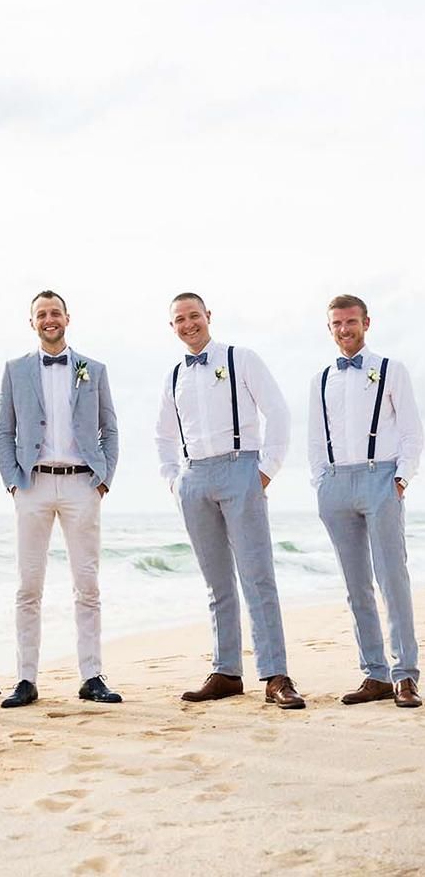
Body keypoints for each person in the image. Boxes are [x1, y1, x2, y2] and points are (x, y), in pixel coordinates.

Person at [155, 292, 305, 709]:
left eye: (194, 316)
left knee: (257, 576)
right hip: (194, 478)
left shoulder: (242, 358)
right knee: (216, 582)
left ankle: (276, 675)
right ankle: (226, 672)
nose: (188, 324)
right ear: (173, 327)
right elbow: (163, 436)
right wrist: (174, 480)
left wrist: (265, 471)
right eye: (180, 319)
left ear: (209, 316)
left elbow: (279, 412)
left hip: (242, 469)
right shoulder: (173, 377)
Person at [0, 290, 121, 707]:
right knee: (28, 586)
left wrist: (103, 479)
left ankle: (92, 676)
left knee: (87, 585)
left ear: (68, 317)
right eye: (41, 314)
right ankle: (26, 680)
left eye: (55, 313)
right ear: (31, 322)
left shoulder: (94, 369)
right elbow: (3, 429)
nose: (49, 319)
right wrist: (13, 482)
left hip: (82, 485)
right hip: (32, 485)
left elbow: (110, 427)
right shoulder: (15, 370)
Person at [309, 294, 423, 708]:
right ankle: (373, 674)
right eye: (337, 323)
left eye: (351, 321)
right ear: (330, 328)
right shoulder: (322, 378)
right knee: (355, 585)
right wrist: (320, 483)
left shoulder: (391, 370)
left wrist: (399, 479)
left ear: (366, 323)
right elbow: (315, 439)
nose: (344, 329)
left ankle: (405, 675)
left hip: (381, 478)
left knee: (392, 578)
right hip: (336, 484)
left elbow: (412, 431)